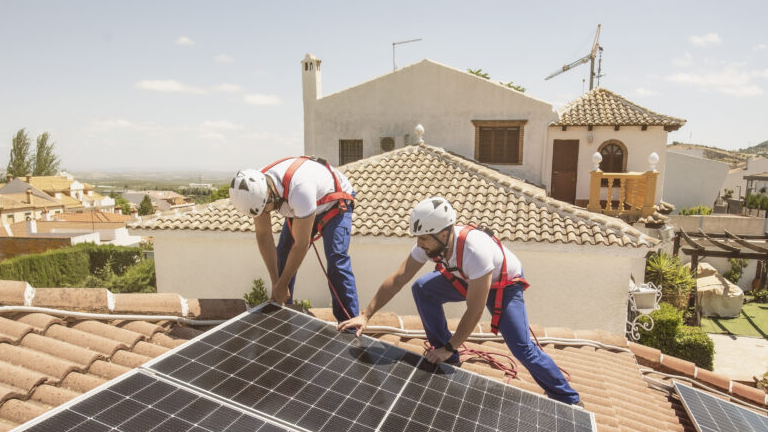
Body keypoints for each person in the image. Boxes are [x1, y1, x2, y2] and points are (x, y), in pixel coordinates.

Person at [337, 196, 580, 405]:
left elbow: (474, 311)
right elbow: (400, 277)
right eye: (418, 239)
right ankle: (447, 357)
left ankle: (568, 399)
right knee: (422, 288)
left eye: (424, 240)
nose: (419, 245)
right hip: (465, 277)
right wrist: (366, 314)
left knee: (522, 348)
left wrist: (452, 344)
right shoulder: (431, 243)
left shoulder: (475, 250)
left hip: (503, 284)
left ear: (444, 233)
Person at [230, 156, 359, 323]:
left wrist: (282, 284)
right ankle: (283, 312)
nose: (264, 214)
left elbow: (301, 245)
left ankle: (350, 323)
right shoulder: (255, 190)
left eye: (265, 210)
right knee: (283, 255)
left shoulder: (300, 190)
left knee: (336, 259)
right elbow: (263, 235)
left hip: (334, 204)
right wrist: (277, 282)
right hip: (302, 206)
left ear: (270, 195)